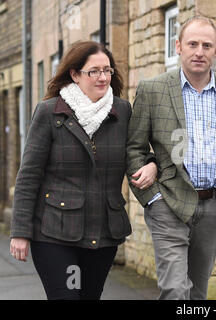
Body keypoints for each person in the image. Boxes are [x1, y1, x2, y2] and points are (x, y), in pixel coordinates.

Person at [126, 16, 216, 300]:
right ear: (178, 46)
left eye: (206, 45)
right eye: (192, 44)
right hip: (168, 204)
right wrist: (153, 198)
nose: (199, 51)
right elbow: (133, 149)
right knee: (175, 290)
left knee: (197, 293)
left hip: (212, 206)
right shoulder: (153, 90)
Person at [9, 41, 132, 300]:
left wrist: (151, 164)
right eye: (94, 71)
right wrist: (20, 231)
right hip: (55, 232)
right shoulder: (50, 112)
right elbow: (29, 174)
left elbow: (136, 153)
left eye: (107, 70)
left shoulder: (122, 111)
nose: (102, 77)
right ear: (75, 75)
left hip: (104, 233)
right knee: (67, 297)